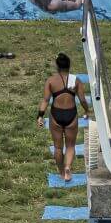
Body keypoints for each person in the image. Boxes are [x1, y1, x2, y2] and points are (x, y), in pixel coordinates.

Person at [38, 53, 91, 182]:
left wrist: (40, 116)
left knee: (57, 147)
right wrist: (87, 110)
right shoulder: (76, 80)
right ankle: (68, 168)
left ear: (57, 66)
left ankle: (62, 172)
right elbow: (82, 99)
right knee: (71, 146)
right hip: (71, 115)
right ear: (69, 66)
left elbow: (45, 100)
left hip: (56, 115)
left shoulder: (51, 81)